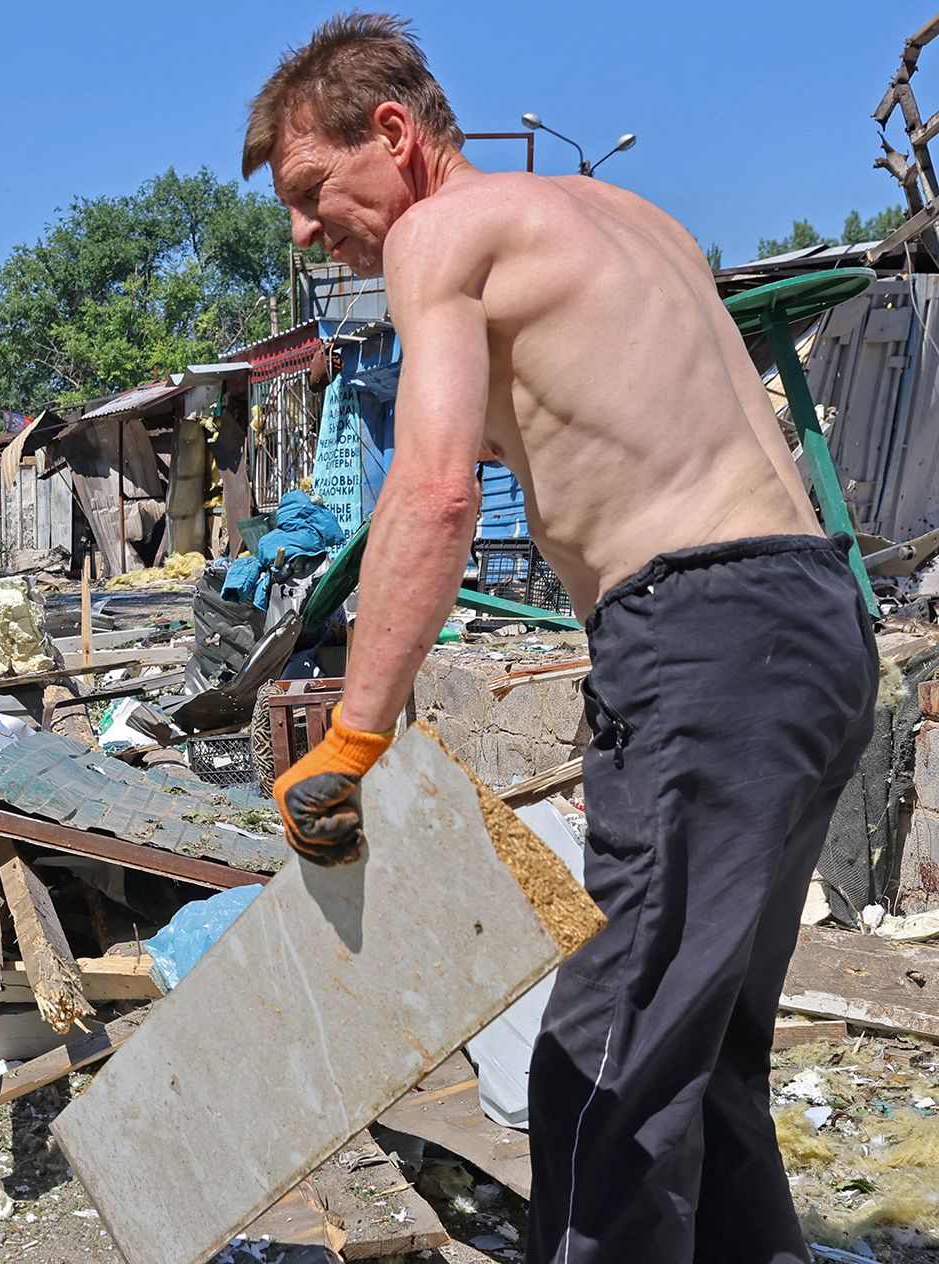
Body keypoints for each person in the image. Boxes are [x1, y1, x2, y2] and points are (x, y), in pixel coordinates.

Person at [247, 16, 875, 1264]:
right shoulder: (628, 218)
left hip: (699, 635)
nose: (308, 231)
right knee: (701, 1051)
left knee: (603, 1069)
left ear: (393, 133)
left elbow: (431, 493)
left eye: (313, 191)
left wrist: (354, 739)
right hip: (814, 620)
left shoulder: (441, 233)